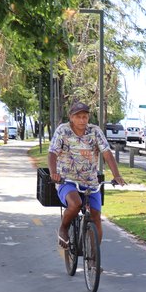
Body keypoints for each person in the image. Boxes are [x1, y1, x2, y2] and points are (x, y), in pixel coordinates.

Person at [48, 101, 126, 248]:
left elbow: (107, 154)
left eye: (85, 117)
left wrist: (117, 175)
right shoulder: (62, 131)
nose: (82, 120)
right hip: (67, 180)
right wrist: (54, 173)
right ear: (71, 117)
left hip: (90, 182)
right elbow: (52, 153)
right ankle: (63, 228)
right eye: (78, 117)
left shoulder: (95, 131)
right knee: (76, 203)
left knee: (96, 216)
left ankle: (94, 258)